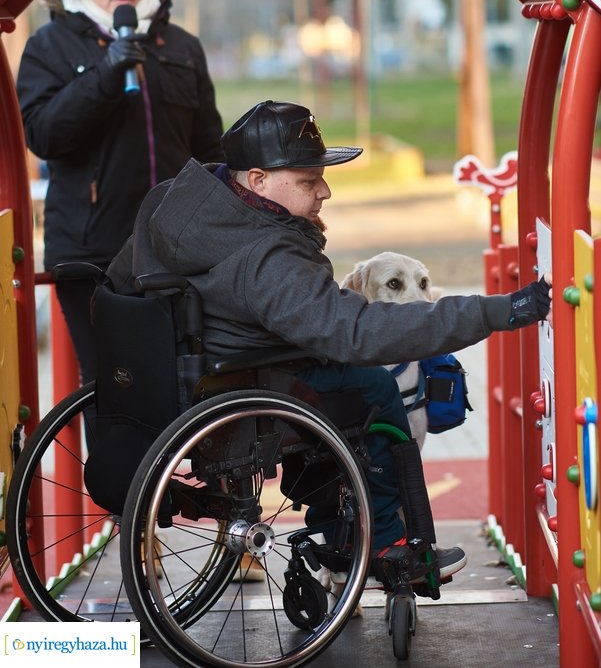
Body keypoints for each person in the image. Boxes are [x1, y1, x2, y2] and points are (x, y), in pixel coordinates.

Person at [107, 99, 552, 585]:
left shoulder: (177, 203)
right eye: (307, 180)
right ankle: (385, 540)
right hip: (249, 381)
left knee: (341, 388)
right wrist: (494, 311)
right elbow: (358, 332)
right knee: (374, 390)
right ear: (257, 180)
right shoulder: (266, 257)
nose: (326, 191)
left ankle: (334, 528)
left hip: (174, 375)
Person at [17, 0, 224, 389]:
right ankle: (118, 468)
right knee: (114, 388)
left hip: (175, 252)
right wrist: (106, 76)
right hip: (93, 254)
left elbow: (209, 148)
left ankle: (168, 467)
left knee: (179, 386)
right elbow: (43, 135)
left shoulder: (181, 47)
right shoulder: (49, 46)